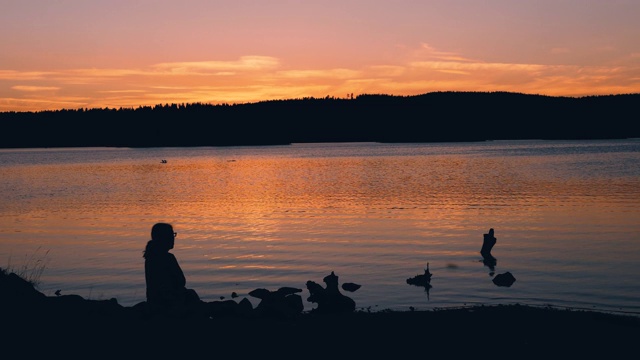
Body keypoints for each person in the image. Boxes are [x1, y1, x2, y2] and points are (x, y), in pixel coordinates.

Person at [143, 222, 202, 318]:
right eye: (171, 235)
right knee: (192, 295)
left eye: (173, 234)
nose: (173, 238)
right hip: (170, 304)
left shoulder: (150, 256)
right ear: (164, 238)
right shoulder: (167, 258)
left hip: (154, 302)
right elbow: (181, 281)